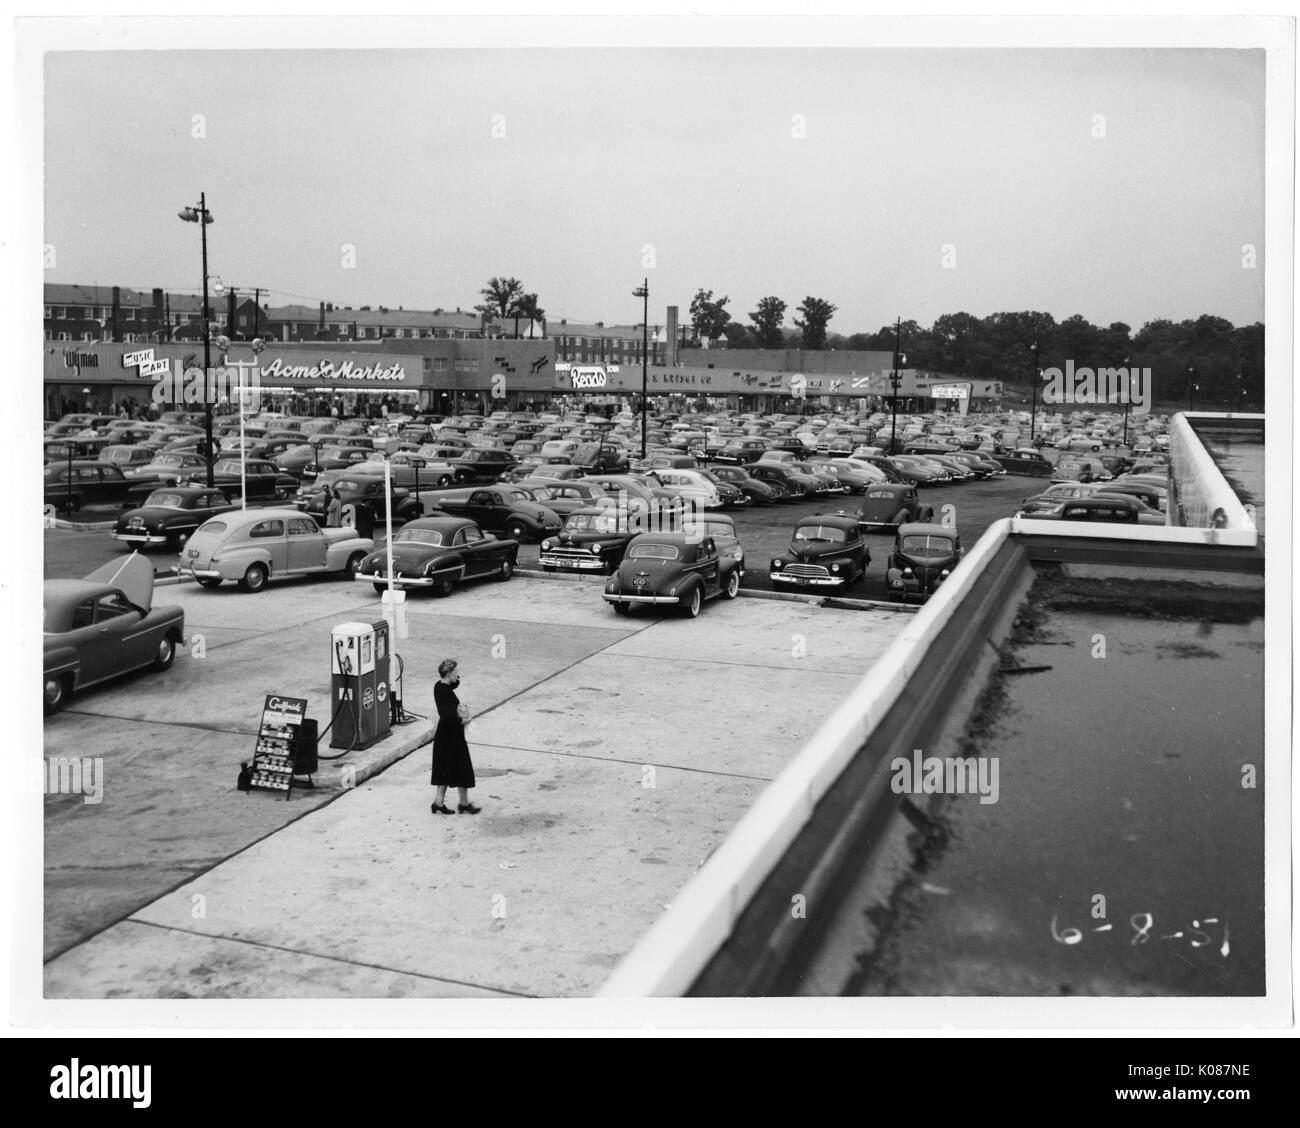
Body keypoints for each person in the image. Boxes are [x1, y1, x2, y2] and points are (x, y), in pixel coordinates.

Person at [430, 659, 478, 814]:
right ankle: (463, 803)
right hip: (451, 737)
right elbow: (446, 715)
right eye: (456, 673)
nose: (458, 675)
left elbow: (454, 684)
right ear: (449, 674)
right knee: (463, 767)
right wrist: (464, 720)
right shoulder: (445, 692)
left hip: (446, 736)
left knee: (444, 768)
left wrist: (456, 679)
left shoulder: (440, 686)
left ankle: (438, 802)